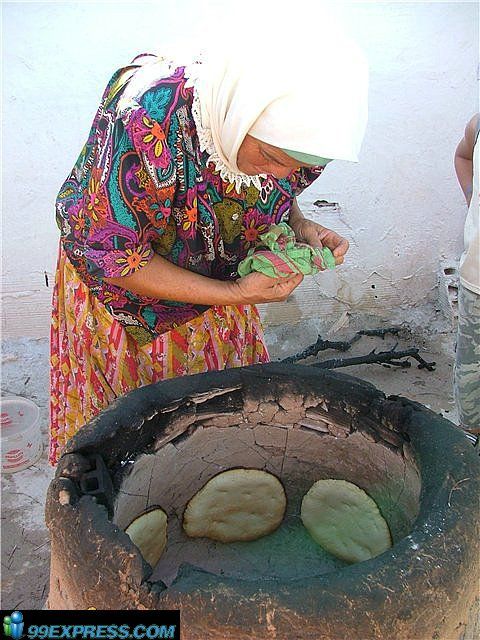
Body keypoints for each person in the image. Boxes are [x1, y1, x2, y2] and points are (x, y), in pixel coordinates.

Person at [49, 15, 368, 464]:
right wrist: (232, 293)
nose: (282, 174)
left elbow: (278, 185)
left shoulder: (285, 130)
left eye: (299, 167)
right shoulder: (146, 116)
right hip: (129, 298)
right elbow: (115, 256)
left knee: (211, 425)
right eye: (272, 156)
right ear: (237, 114)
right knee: (126, 442)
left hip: (218, 292)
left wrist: (297, 224)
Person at [454, 113, 480, 434]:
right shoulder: (478, 124)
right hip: (477, 284)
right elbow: (462, 155)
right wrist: (473, 195)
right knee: (472, 384)